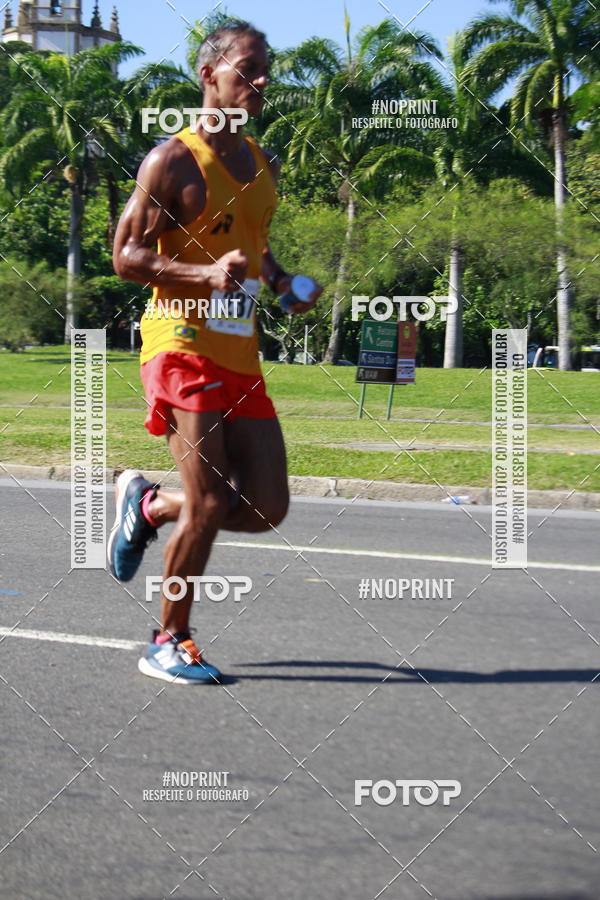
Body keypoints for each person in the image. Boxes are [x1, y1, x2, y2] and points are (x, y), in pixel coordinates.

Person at [109, 22, 322, 684]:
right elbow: (125, 255)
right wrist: (203, 276)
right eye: (248, 69)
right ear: (209, 75)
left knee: (265, 506)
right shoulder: (172, 159)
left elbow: (254, 245)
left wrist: (283, 283)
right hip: (178, 342)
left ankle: (148, 507)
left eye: (267, 71)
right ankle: (167, 640)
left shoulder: (261, 164)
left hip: (239, 352)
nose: (261, 82)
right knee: (207, 505)